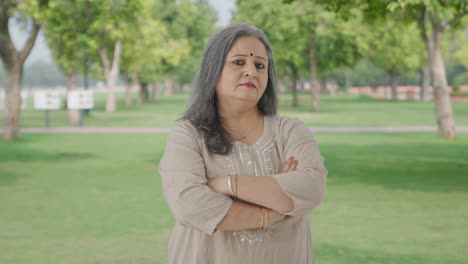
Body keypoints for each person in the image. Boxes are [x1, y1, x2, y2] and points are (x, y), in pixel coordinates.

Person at [158, 23, 327, 264]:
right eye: (239, 62)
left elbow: (311, 187)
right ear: (213, 70)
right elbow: (190, 205)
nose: (251, 71)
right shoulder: (188, 135)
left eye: (260, 65)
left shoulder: (290, 131)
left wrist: (228, 185)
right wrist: (272, 211)